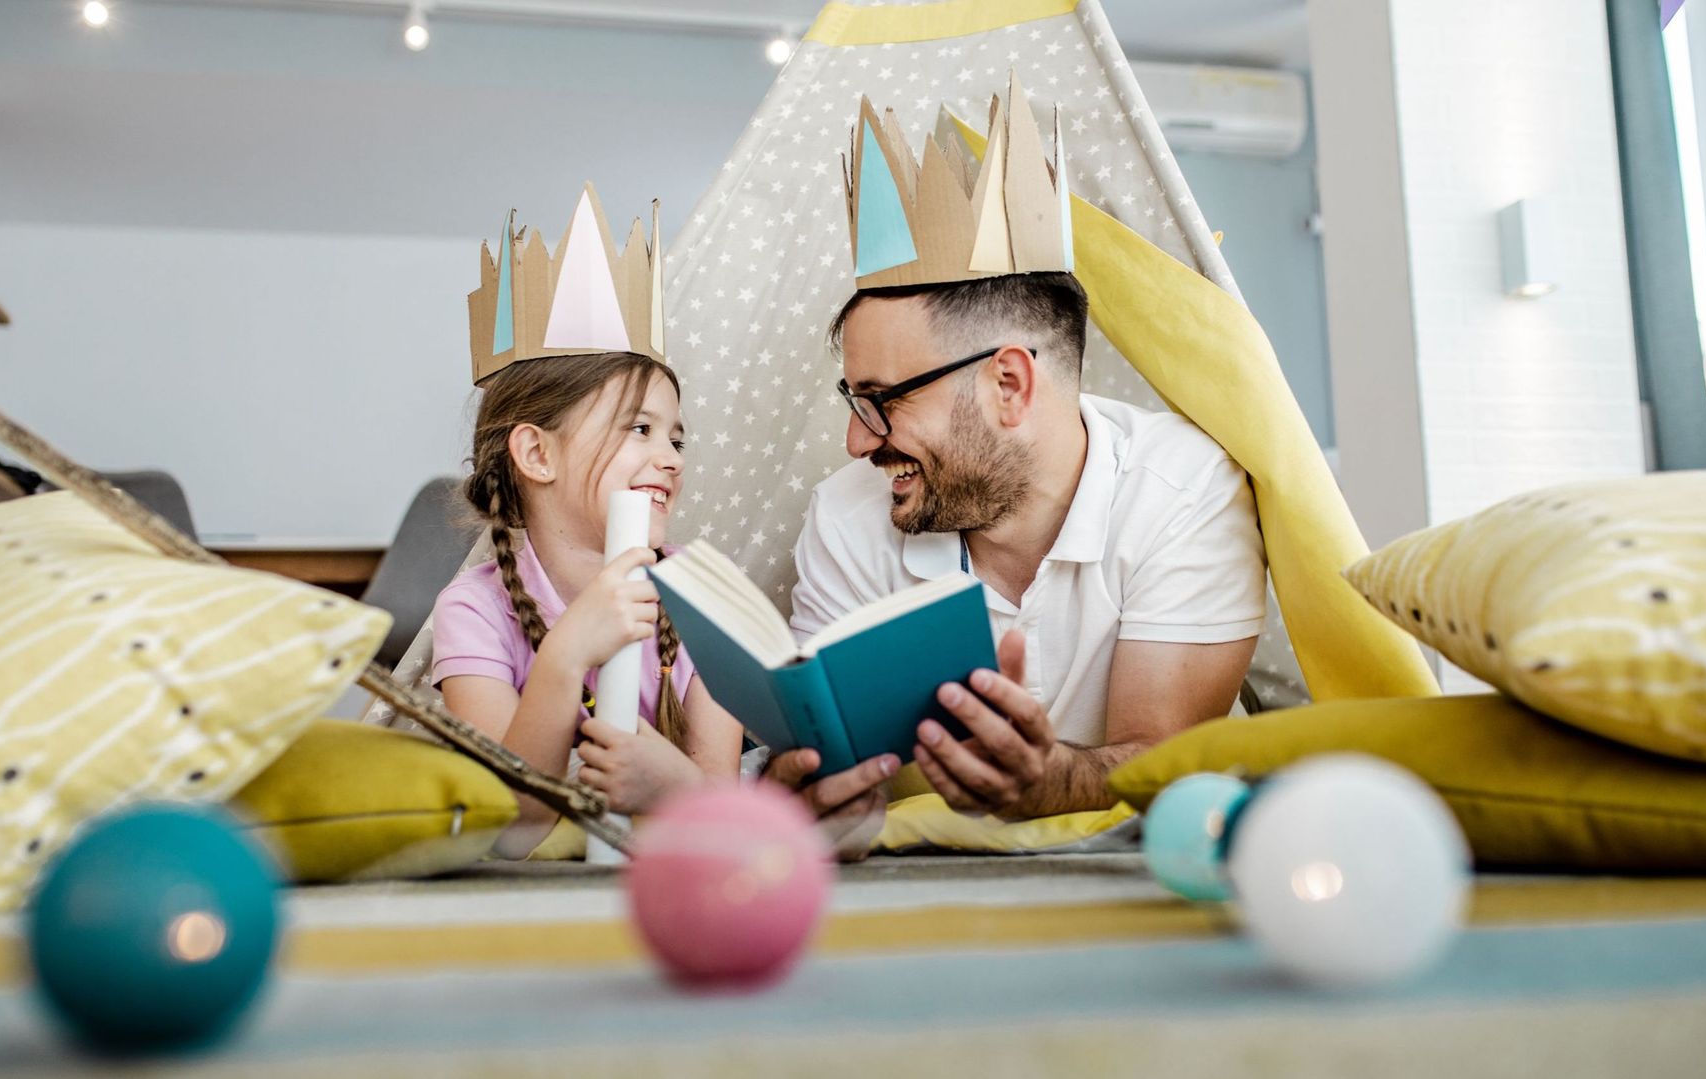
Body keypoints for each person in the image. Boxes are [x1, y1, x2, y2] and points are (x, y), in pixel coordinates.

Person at [767, 272, 1266, 854]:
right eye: (855, 402)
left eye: (881, 401)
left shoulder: (1183, 487)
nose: (857, 440)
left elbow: (1165, 757)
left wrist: (1053, 784)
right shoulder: (845, 514)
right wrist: (796, 785)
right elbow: (820, 748)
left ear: (1009, 384)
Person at [431, 188, 742, 842]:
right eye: (640, 429)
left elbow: (726, 814)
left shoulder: (706, 601)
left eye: (675, 437)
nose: (671, 458)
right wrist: (567, 652)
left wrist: (673, 786)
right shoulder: (473, 612)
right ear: (536, 452)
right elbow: (516, 827)